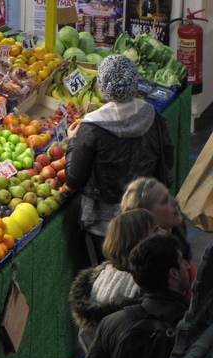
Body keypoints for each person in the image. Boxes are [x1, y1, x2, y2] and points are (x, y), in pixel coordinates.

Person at [65, 54, 174, 265]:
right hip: (147, 218)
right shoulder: (153, 117)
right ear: (134, 84)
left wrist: (72, 142)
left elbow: (74, 179)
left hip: (105, 226)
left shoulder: (91, 128)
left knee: (110, 277)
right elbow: (167, 161)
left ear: (102, 86)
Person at [74, 234, 191, 358]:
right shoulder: (191, 327)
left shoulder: (111, 323)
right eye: (182, 261)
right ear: (174, 273)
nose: (187, 266)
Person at [69, 208, 159, 353]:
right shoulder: (140, 284)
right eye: (155, 230)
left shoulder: (103, 274)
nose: (162, 233)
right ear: (139, 241)